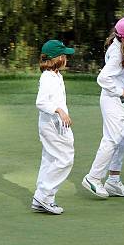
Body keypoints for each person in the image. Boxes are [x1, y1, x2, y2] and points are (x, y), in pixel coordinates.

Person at [82, 13, 124, 198]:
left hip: (122, 103)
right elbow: (103, 78)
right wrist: (120, 91)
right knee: (112, 139)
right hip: (114, 101)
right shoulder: (117, 53)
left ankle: (113, 180)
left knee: (121, 139)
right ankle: (93, 177)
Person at [31, 39, 76, 215]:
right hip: (52, 125)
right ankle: (45, 196)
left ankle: (40, 198)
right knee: (65, 159)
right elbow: (41, 102)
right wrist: (59, 111)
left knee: (50, 159)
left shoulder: (56, 75)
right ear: (57, 58)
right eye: (64, 55)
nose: (66, 58)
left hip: (55, 124)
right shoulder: (48, 77)